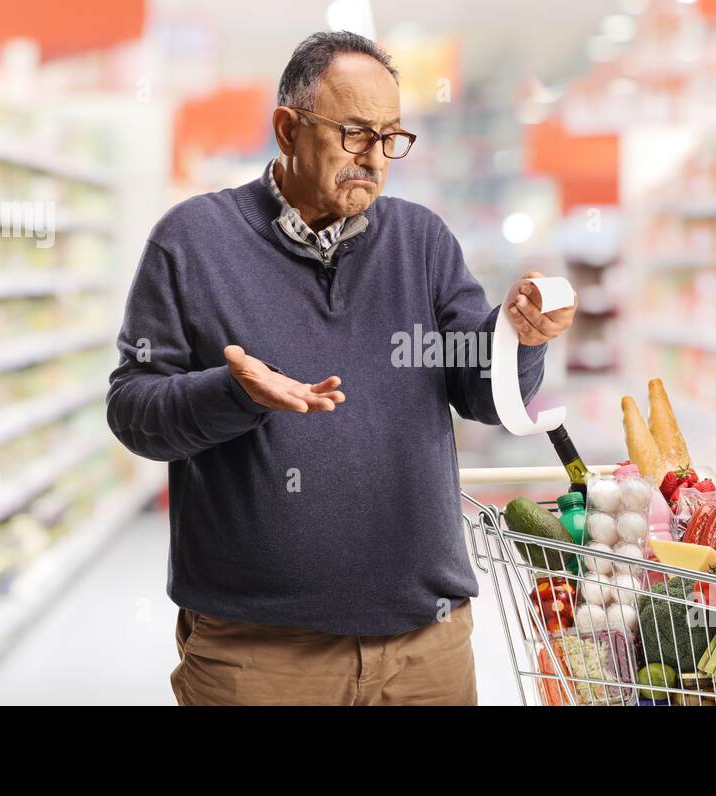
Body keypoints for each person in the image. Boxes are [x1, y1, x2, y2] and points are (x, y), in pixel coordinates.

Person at [106, 31, 576, 706]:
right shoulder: (192, 241)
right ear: (287, 129)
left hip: (426, 648)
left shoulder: (422, 242)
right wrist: (232, 393)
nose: (375, 158)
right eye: (355, 133)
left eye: (390, 137)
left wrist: (519, 337)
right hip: (258, 655)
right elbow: (134, 412)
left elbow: (484, 392)